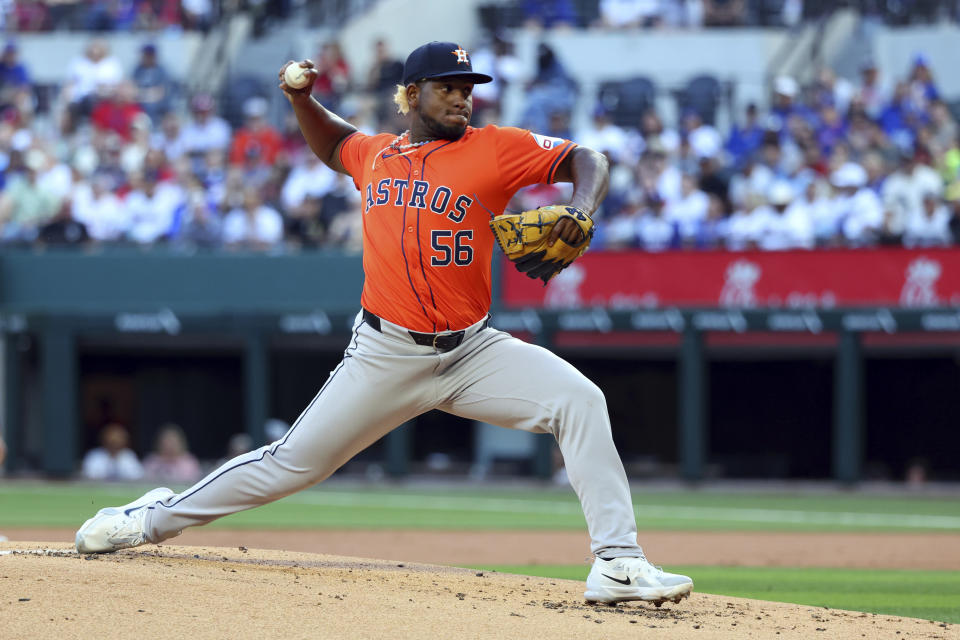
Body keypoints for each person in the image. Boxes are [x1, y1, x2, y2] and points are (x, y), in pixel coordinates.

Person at [73, 41, 694, 607]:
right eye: (447, 86)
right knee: (293, 463)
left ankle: (616, 561)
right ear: (412, 94)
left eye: (467, 86)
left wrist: (582, 207)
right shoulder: (377, 153)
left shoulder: (496, 148)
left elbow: (589, 156)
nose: (462, 97)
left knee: (580, 401)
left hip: (473, 351)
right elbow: (332, 144)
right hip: (384, 353)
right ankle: (148, 519)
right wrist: (301, 98)